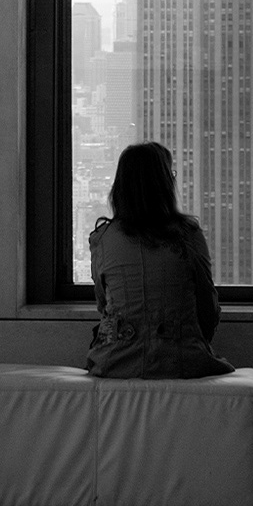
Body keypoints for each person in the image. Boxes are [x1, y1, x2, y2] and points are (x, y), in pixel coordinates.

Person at [86, 141, 234, 379]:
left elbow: (104, 306)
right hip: (183, 361)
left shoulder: (103, 239)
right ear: (164, 185)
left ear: (120, 187)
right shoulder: (188, 234)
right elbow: (207, 307)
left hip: (114, 363)